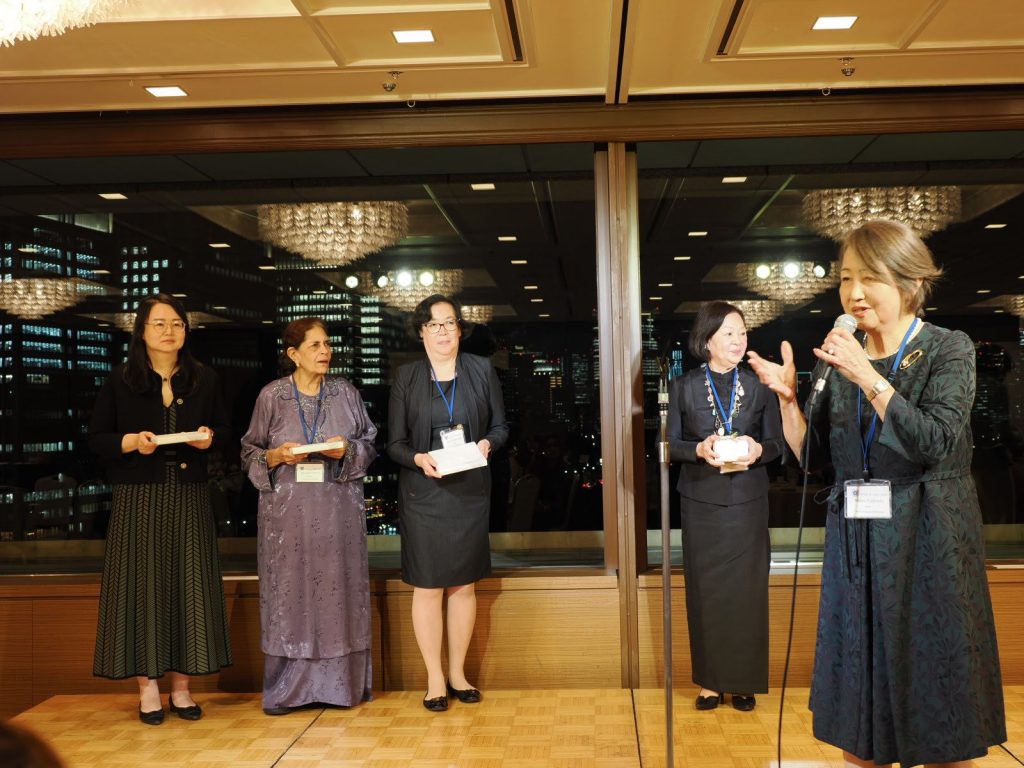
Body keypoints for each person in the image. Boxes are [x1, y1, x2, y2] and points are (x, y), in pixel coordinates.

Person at [747, 219, 1006, 768]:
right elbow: (816, 459)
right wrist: (789, 402)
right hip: (858, 544)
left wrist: (868, 376)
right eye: (846, 278)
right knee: (860, 703)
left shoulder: (947, 348)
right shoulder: (842, 357)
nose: (854, 292)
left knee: (936, 694)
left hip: (929, 538)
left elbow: (935, 441)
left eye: (871, 278)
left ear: (911, 283)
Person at [89, 294, 232, 725]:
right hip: (139, 496)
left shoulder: (204, 378)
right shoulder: (120, 379)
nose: (170, 332)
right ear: (142, 331)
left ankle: (182, 688)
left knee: (189, 585)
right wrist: (131, 442)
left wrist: (209, 438)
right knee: (142, 587)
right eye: (160, 324)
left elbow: (225, 429)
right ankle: (148, 688)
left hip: (189, 494)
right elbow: (96, 439)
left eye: (177, 324)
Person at [240, 317, 377, 715]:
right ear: (293, 354)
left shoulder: (345, 392)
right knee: (290, 595)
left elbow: (370, 443)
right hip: (287, 519)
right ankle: (287, 692)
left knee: (338, 592)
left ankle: (340, 687)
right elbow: (249, 451)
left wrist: (346, 451)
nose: (325, 351)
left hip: (338, 513)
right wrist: (275, 456)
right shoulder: (272, 396)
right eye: (315, 345)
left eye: (327, 344)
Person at [387, 294, 509, 712]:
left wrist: (488, 443)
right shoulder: (407, 377)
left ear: (460, 329)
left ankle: (457, 674)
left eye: (449, 323)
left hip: (469, 491)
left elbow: (501, 425)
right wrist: (419, 459)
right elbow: (395, 444)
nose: (443, 331)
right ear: (421, 332)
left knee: (463, 585)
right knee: (427, 586)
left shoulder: (481, 369)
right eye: (434, 324)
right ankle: (434, 679)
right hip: (424, 493)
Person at [667, 300, 783, 712]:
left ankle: (743, 682)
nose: (738, 340)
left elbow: (777, 444)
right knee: (705, 594)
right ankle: (710, 683)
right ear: (707, 340)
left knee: (747, 595)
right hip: (700, 503)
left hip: (748, 503)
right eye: (729, 333)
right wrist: (698, 449)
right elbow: (669, 446)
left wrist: (758, 448)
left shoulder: (758, 385)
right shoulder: (682, 386)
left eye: (743, 333)